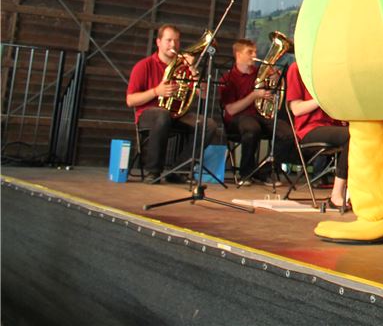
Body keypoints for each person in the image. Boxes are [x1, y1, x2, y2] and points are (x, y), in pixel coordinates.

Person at [125, 23, 220, 183]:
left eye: (176, 41)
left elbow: (202, 94)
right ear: (158, 42)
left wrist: (193, 70)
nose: (173, 45)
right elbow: (130, 100)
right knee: (162, 115)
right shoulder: (144, 65)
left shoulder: (184, 67)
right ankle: (153, 172)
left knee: (208, 125)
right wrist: (156, 92)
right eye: (168, 40)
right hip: (149, 114)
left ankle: (179, 170)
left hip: (176, 114)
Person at [220, 38, 294, 183]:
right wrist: (254, 95)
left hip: (259, 117)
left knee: (287, 132)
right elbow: (230, 109)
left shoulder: (260, 73)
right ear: (238, 54)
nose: (254, 55)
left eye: (255, 52)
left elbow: (272, 95)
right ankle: (246, 172)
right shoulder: (228, 77)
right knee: (251, 128)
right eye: (250, 52)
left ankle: (263, 170)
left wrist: (276, 81)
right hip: (238, 119)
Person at [285, 61, 349, 209]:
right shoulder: (297, 68)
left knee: (369, 134)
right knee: (352, 136)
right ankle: (337, 194)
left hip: (333, 126)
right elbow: (296, 110)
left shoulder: (330, 70)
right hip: (308, 130)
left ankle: (368, 192)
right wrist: (322, 100)